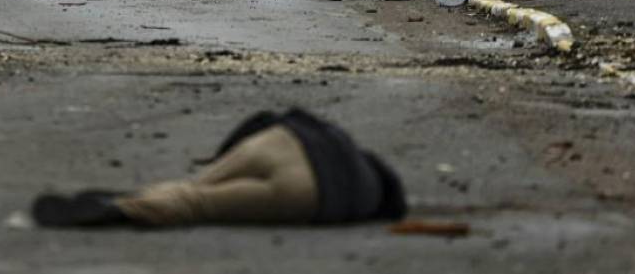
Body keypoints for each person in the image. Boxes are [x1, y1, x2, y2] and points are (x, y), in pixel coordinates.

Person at [31, 108, 407, 227]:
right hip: (309, 192)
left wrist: (221, 158)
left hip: (282, 140)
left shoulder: (341, 139)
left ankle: (163, 191)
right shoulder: (365, 198)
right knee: (201, 205)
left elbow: (264, 119)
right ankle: (129, 209)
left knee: (197, 185)